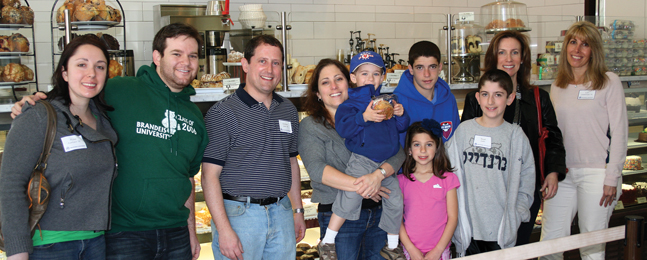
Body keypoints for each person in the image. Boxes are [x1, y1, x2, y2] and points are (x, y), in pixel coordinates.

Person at [11, 23, 208, 260]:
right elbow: (76, 93)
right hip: (124, 233)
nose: (185, 62)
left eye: (192, 55)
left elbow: (186, 177)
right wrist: (35, 101)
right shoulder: (120, 90)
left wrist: (190, 230)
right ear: (157, 56)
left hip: (176, 234)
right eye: (176, 53)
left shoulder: (195, 116)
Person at [0, 34, 117, 259]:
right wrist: (17, 251)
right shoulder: (39, 115)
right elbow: (10, 185)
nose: (91, 73)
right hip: (49, 247)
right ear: (64, 72)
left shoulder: (103, 120)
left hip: (96, 243)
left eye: (100, 67)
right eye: (81, 65)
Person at [201, 34, 306, 260]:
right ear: (245, 65)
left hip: (282, 212)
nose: (269, 69)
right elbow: (209, 177)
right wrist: (224, 229)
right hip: (239, 216)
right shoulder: (222, 113)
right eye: (262, 61)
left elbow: (291, 162)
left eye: (276, 63)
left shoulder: (287, 110)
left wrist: (297, 210)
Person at [460, 30, 566, 246]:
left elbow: (553, 137)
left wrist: (553, 172)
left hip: (523, 192)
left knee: (518, 248)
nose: (508, 59)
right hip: (483, 195)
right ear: (493, 57)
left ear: (523, 58)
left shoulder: (538, 97)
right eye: (502, 53)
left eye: (515, 52)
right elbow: (464, 147)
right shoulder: (475, 99)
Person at [298, 58, 406, 260]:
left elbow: (398, 152)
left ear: (350, 82)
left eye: (339, 79)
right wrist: (367, 185)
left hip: (377, 214)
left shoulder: (372, 113)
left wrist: (378, 175)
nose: (334, 86)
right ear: (317, 93)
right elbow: (318, 170)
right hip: (338, 217)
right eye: (325, 82)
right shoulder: (311, 126)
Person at [539, 21, 626, 260]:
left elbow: (620, 133)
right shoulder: (558, 85)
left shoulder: (609, 82)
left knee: (592, 244)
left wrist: (612, 177)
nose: (577, 50)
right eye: (573, 43)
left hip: (597, 174)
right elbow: (554, 135)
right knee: (550, 244)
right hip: (563, 175)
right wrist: (550, 171)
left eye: (585, 44)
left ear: (594, 50)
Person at [446, 69, 535, 256]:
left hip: (501, 231)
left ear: (510, 99)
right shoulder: (463, 131)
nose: (491, 101)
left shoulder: (515, 136)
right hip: (468, 230)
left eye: (498, 95)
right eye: (485, 94)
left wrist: (517, 213)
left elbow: (528, 176)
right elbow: (448, 172)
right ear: (477, 97)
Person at [399, 119, 459, 260]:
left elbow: (453, 218)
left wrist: (438, 250)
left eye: (429, 144)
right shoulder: (400, 181)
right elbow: (396, 220)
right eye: (417, 144)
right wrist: (410, 249)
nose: (423, 150)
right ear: (409, 149)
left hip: (440, 251)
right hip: (410, 251)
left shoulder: (448, 179)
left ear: (437, 147)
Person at [393, 40, 460, 144]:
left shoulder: (449, 99)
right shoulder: (398, 102)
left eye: (432, 67)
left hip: (444, 160)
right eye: (420, 67)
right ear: (410, 69)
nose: (427, 74)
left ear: (440, 68)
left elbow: (456, 142)